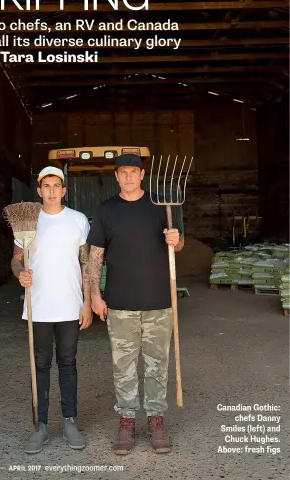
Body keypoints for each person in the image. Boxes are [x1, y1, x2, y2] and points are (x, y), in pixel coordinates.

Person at [87, 154, 184, 455]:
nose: (128, 177)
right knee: (123, 366)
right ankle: (126, 421)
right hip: (120, 303)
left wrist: (175, 239)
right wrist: (94, 294)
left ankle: (156, 420)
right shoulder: (106, 210)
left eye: (133, 172)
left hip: (158, 302)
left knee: (158, 365)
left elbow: (179, 245)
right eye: (122, 173)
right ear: (116, 177)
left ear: (142, 174)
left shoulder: (163, 208)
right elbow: (95, 256)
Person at [11, 166, 92, 454]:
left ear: (64, 190)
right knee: (41, 365)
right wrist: (20, 273)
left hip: (70, 305)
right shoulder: (27, 222)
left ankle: (70, 422)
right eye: (46, 185)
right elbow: (16, 260)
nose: (52, 190)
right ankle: (40, 426)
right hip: (39, 307)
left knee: (68, 363)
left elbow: (86, 264)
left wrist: (87, 301)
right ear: (39, 190)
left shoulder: (78, 221)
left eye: (57, 185)